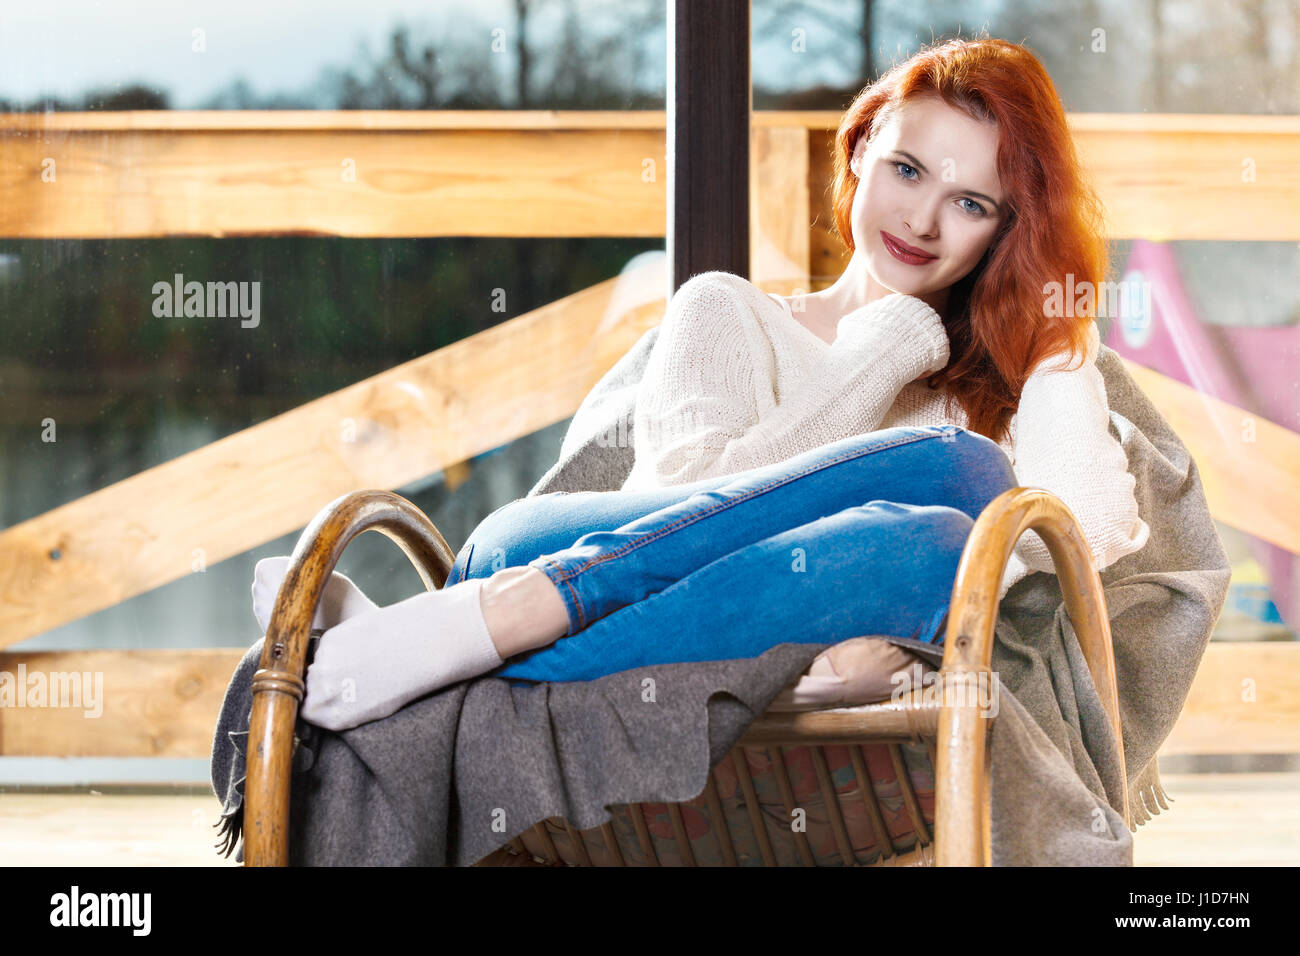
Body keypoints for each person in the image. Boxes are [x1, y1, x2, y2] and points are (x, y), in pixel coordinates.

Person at [254, 34, 1150, 732]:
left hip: (693, 629)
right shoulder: (726, 310)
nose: (921, 218)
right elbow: (687, 501)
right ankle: (510, 609)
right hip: (540, 553)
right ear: (862, 151)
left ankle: (432, 655)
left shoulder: (995, 379)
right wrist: (886, 346)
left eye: (971, 203)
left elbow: (1080, 536)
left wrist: (1057, 340)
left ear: (1005, 231)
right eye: (907, 170)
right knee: (961, 471)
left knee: (943, 536)